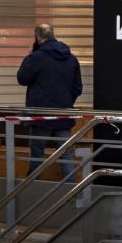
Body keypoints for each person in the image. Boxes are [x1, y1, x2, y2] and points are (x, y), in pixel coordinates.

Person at [16, 24, 83, 180]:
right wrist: (65, 102)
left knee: (37, 155)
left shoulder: (36, 57)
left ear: (38, 37)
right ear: (53, 35)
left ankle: (33, 187)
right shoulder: (71, 59)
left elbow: (22, 79)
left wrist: (30, 56)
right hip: (63, 114)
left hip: (41, 116)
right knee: (65, 155)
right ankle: (70, 192)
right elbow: (77, 88)